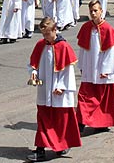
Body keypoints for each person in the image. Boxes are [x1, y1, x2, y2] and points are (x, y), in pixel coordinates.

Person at [27, 17, 81, 162]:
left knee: (60, 121)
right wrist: (33, 73)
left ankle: (61, 145)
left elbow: (68, 71)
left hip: (59, 92)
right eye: (43, 35)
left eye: (47, 34)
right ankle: (40, 150)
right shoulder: (40, 45)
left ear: (54, 30)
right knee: (43, 119)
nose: (45, 37)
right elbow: (32, 64)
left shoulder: (63, 47)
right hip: (44, 90)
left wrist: (62, 87)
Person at [76, 0, 114, 134]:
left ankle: (102, 123)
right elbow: (82, 49)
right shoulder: (86, 28)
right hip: (89, 68)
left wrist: (106, 70)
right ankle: (81, 121)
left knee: (102, 98)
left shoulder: (108, 29)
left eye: (96, 10)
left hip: (102, 69)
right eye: (91, 11)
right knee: (85, 96)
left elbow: (111, 52)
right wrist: (82, 65)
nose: (93, 13)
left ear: (101, 11)